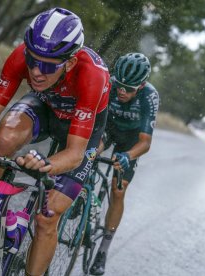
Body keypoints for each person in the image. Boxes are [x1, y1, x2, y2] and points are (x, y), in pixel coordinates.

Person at [0, 7, 111, 275]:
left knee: (46, 217)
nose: (37, 72)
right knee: (4, 137)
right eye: (32, 59)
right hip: (47, 105)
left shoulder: (92, 75)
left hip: (81, 128)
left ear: (71, 63)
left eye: (48, 65)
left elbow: (75, 153)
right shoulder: (20, 56)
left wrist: (45, 165)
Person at [89, 53, 160, 275]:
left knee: (118, 191)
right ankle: (83, 193)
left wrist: (127, 156)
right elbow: (91, 116)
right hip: (107, 129)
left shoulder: (149, 96)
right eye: (119, 85)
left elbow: (145, 142)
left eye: (129, 89)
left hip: (130, 141)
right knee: (89, 153)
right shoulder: (108, 83)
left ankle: (103, 249)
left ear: (141, 86)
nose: (122, 91)